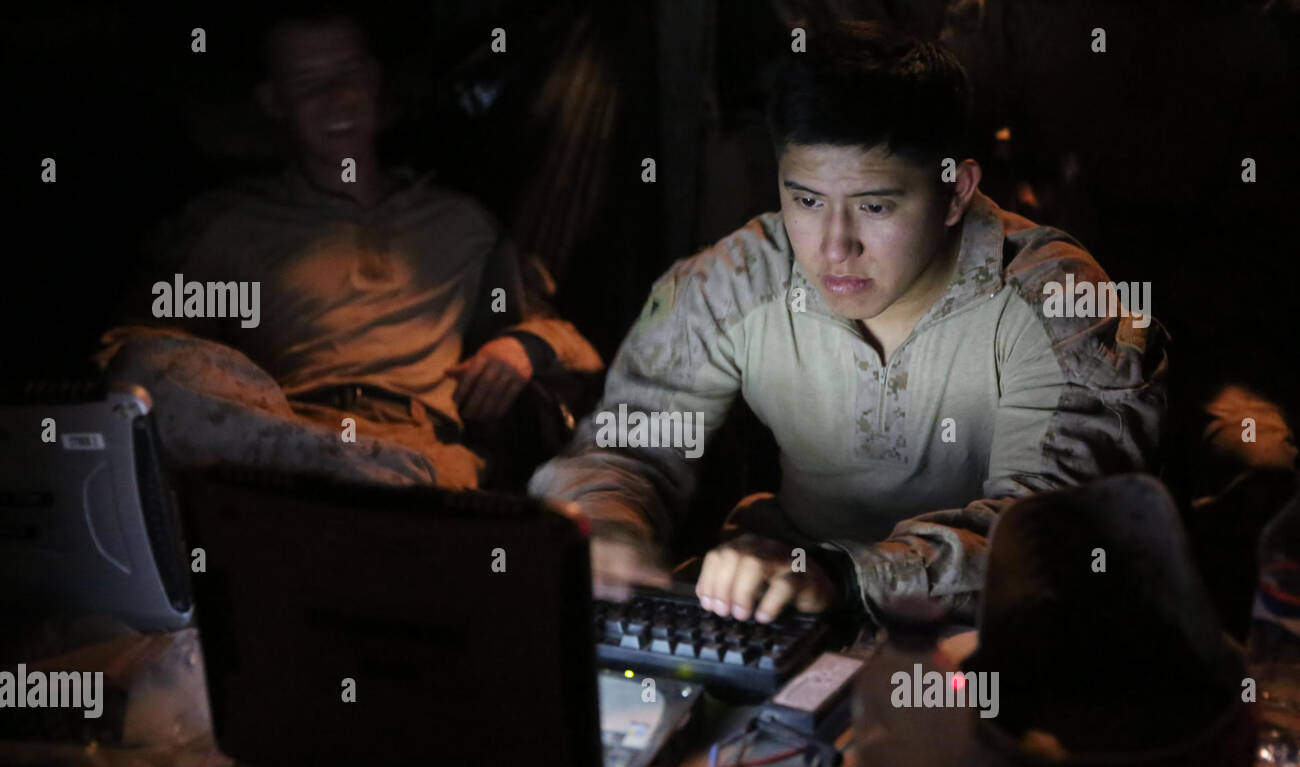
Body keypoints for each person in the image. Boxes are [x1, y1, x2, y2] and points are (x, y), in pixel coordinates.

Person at [529, 21, 1168, 624]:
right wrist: (607, 526)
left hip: (990, 635)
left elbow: (1045, 536)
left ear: (956, 191)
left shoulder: (1059, 305)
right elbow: (628, 445)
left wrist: (843, 575)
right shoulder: (741, 276)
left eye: (875, 206)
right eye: (805, 200)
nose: (834, 245)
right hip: (773, 607)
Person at [96, 9, 602, 490]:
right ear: (276, 102)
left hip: (421, 448)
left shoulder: (459, 223)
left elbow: (578, 351)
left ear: (374, 80)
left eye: (347, 74)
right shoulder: (233, 225)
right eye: (310, 85)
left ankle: (383, 480)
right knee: (144, 368)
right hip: (287, 441)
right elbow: (129, 353)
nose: (337, 97)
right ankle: (349, 469)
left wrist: (524, 348)